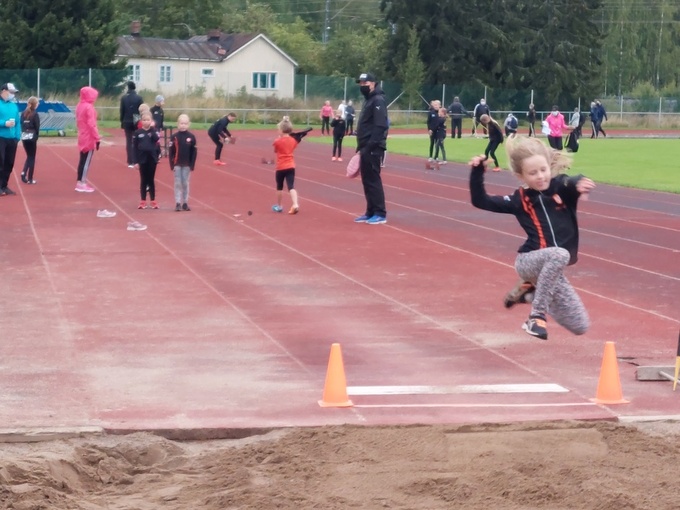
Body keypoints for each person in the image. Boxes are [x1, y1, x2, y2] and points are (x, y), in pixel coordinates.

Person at [469, 135, 595, 340]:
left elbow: (571, 181)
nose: (540, 177)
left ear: (549, 167)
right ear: (521, 176)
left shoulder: (560, 188)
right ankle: (536, 316)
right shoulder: (519, 199)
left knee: (580, 325)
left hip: (550, 270)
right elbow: (481, 201)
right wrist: (477, 172)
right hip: (528, 261)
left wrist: (580, 183)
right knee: (560, 254)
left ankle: (530, 294)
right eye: (533, 173)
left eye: (543, 170)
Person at [353, 72, 389, 225]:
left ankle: (380, 213)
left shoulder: (378, 100)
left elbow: (380, 125)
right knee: (366, 180)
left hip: (373, 147)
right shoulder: (369, 100)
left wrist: (370, 145)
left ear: (373, 83)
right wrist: (360, 146)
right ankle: (370, 211)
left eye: (365, 83)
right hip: (365, 146)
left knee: (373, 180)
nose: (362, 86)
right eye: (361, 83)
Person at [271, 116, 301, 215]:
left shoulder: (277, 141)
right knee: (291, 186)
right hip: (291, 165)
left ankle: (279, 205)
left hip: (281, 166)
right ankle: (295, 204)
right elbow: (294, 145)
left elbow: (276, 150)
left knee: (279, 187)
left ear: (281, 130)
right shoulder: (293, 140)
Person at [75, 86, 101, 193]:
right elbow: (91, 124)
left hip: (82, 134)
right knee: (86, 161)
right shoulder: (89, 107)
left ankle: (80, 181)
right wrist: (97, 137)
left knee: (82, 160)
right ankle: (82, 182)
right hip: (88, 137)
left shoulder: (79, 106)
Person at [168, 114, 197, 211]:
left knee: (185, 183)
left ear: (188, 124)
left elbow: (194, 152)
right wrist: (172, 164)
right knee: (177, 183)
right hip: (177, 163)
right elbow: (171, 152)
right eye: (181, 123)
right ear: (178, 124)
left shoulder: (191, 137)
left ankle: (185, 202)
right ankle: (177, 202)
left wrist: (192, 165)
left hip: (187, 164)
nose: (183, 125)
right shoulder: (174, 137)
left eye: (185, 123)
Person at [132, 111, 160, 209]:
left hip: (152, 158)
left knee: (151, 179)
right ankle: (143, 200)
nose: (146, 122)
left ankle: (153, 200)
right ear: (141, 121)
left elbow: (156, 139)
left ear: (151, 121)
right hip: (142, 159)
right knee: (143, 180)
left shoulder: (154, 131)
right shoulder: (137, 133)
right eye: (144, 120)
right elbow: (134, 148)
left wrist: (152, 129)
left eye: (148, 120)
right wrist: (135, 161)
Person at [0, 83, 20, 196]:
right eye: (11, 92)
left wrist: (17, 136)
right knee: (1, 162)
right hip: (1, 137)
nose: (12, 94)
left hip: (12, 139)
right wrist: (4, 123)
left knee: (9, 163)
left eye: (13, 93)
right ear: (3, 91)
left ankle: (4, 185)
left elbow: (17, 122)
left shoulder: (13, 106)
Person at [119, 81, 143, 168]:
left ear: (128, 88)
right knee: (137, 140)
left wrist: (122, 121)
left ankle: (130, 161)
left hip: (127, 119)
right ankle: (137, 159)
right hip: (136, 119)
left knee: (129, 141)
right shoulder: (139, 98)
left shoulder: (124, 98)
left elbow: (122, 110)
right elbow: (141, 110)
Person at [20, 96, 40, 185]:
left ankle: (23, 172)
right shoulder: (35, 114)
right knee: (32, 157)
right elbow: (37, 127)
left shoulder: (23, 113)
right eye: (37, 103)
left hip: (24, 136)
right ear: (35, 104)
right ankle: (30, 178)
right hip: (32, 137)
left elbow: (21, 124)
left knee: (29, 156)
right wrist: (36, 136)